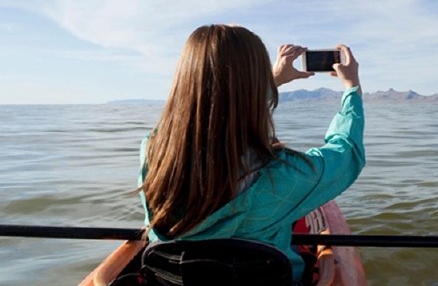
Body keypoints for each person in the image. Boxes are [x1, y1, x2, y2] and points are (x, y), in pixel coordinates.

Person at [138, 24, 365, 283]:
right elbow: (347, 153)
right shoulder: (282, 175)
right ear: (255, 82)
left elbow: (216, 110)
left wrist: (274, 79)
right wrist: (352, 89)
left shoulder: (153, 151)